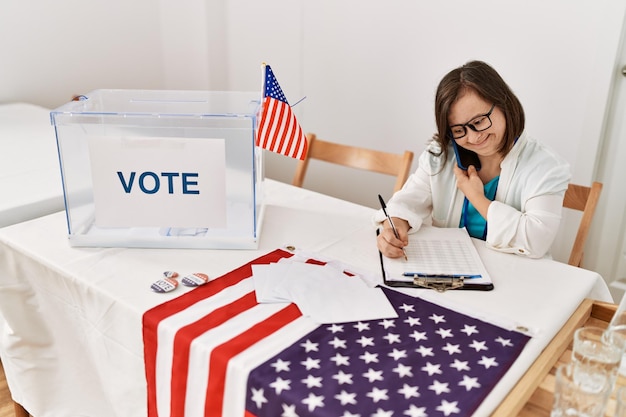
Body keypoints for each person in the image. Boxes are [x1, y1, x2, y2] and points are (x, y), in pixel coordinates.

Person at [375, 60, 571, 260]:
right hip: (450, 269)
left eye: (479, 122)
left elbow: (535, 241)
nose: (473, 137)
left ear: (505, 104)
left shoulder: (547, 167)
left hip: (515, 276)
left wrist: (477, 198)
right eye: (459, 130)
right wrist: (394, 224)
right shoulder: (441, 155)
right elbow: (408, 201)